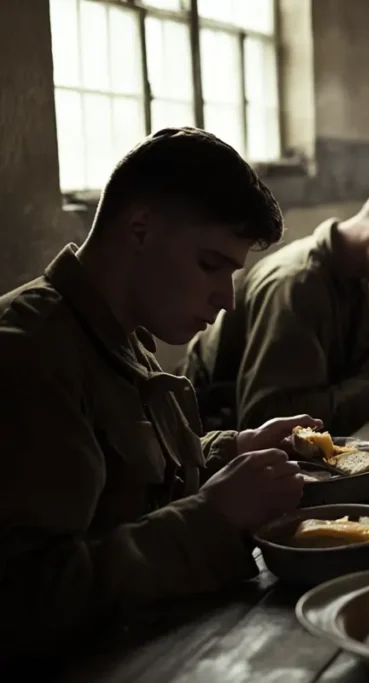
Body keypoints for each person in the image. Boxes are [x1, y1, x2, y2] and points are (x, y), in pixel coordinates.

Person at [0, 127, 320, 659]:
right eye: (210, 265)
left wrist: (231, 450)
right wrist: (213, 517)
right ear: (140, 228)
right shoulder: (25, 356)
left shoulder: (121, 332)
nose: (227, 299)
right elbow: (25, 599)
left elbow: (136, 477)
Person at [182, 171, 369, 435]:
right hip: (209, 459)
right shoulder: (296, 284)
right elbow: (265, 421)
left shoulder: (360, 278)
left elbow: (360, 368)